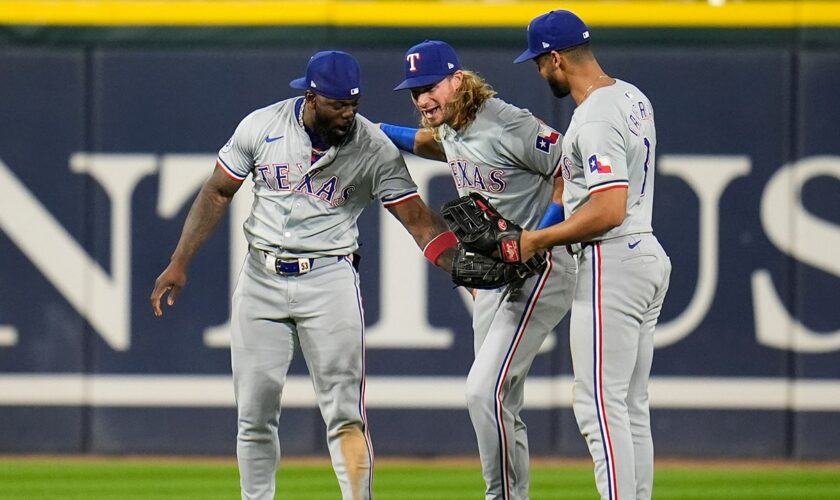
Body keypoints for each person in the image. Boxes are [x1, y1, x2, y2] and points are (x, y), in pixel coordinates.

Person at [150, 50, 457, 500]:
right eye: (338, 104)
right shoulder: (262, 125)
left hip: (329, 280)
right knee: (254, 415)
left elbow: (417, 218)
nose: (348, 113)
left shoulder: (372, 146)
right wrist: (180, 261)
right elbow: (217, 192)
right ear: (311, 97)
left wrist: (463, 266)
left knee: (345, 415)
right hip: (261, 278)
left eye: (354, 103)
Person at [380, 40, 576, 500]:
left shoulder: (510, 124)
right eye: (414, 92)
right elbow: (434, 143)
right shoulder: (452, 123)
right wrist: (376, 131)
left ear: (457, 79)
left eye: (430, 87)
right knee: (498, 399)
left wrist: (537, 239)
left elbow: (574, 167)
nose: (422, 99)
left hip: (540, 268)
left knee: (481, 390)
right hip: (494, 275)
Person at [513, 10, 672, 500]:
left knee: (598, 404)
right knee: (629, 403)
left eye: (541, 62)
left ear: (556, 58)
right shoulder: (631, 96)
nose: (540, 72)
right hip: (645, 253)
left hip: (611, 258)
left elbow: (607, 209)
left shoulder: (596, 114)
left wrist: (537, 239)